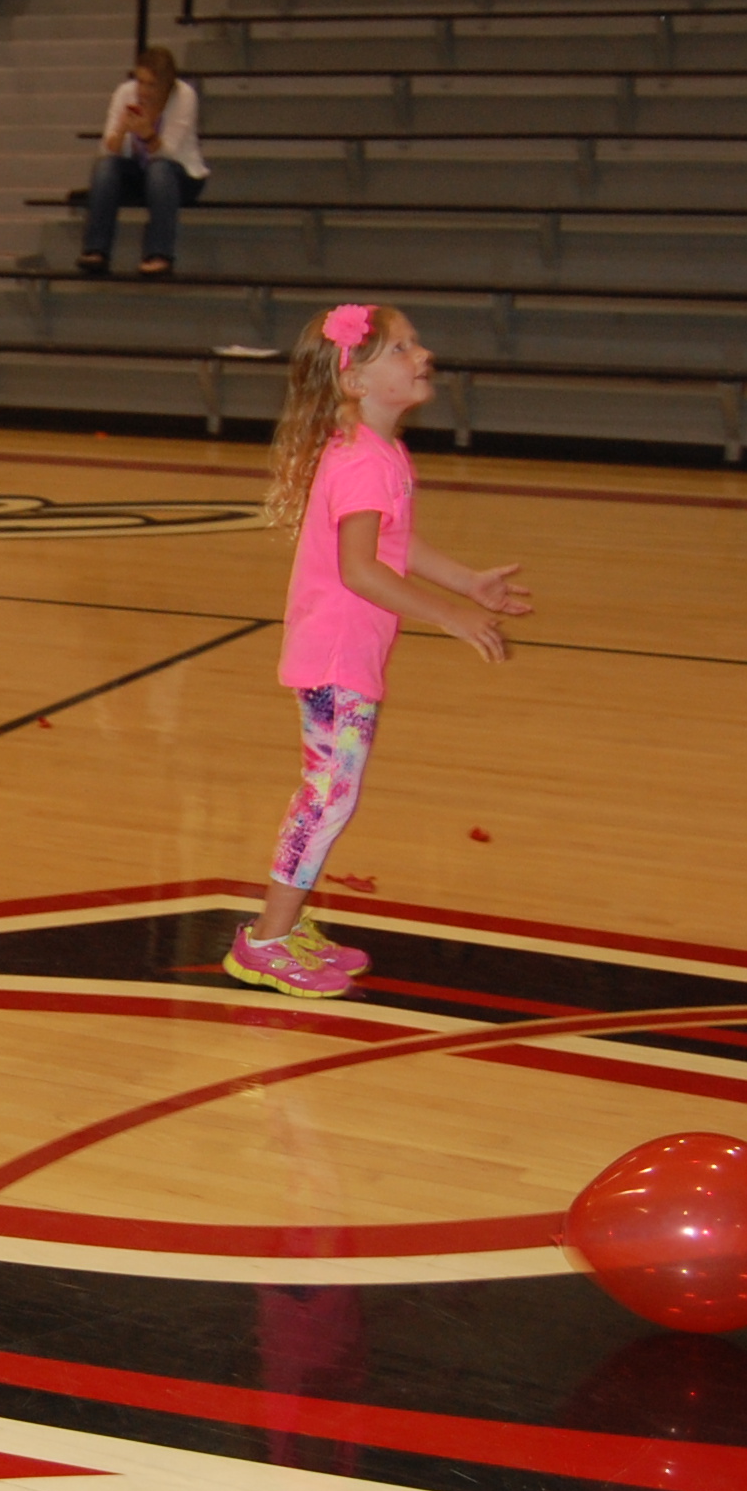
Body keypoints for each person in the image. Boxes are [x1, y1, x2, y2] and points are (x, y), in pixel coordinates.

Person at [223, 305, 534, 998]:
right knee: (327, 797)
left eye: (416, 342)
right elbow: (361, 570)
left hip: (343, 652)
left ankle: (284, 925)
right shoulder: (364, 458)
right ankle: (267, 942)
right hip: (336, 657)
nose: (421, 354)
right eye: (401, 348)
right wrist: (450, 615)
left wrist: (466, 582)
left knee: (331, 792)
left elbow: (393, 543)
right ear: (357, 379)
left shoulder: (376, 449)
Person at [78, 47, 211, 279]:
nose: (144, 91)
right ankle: (96, 250)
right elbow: (106, 149)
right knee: (106, 167)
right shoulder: (125, 93)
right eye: (141, 82)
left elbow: (169, 152)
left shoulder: (184, 96)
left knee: (159, 169)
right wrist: (121, 131)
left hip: (180, 176)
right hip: (141, 173)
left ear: (166, 86)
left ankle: (159, 254)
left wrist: (147, 133)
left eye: (152, 85)